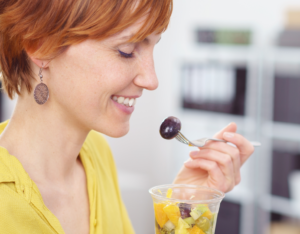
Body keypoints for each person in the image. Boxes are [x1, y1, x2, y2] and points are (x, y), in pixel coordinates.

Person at [0, 0, 255, 233]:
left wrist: (184, 207)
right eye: (126, 50)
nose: (151, 80)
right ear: (41, 46)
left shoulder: (96, 154)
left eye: (153, 46)